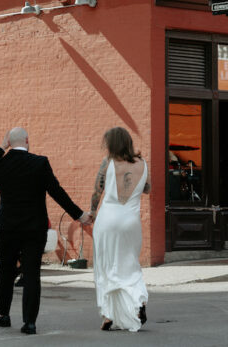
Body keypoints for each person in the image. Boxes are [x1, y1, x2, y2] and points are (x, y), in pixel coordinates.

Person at [0, 126, 91, 335]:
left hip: (8, 227)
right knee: (32, 274)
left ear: (10, 143)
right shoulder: (40, 163)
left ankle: (2, 313)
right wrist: (79, 215)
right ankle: (29, 322)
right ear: (28, 140)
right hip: (34, 227)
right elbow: (57, 192)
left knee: (5, 271)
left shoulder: (0, 164)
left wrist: (1, 147)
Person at [89, 127, 150, 332]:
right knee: (129, 265)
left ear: (112, 144)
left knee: (106, 267)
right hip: (130, 220)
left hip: (108, 219)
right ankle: (138, 302)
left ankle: (108, 315)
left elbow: (97, 191)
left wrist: (92, 211)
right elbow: (148, 188)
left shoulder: (108, 162)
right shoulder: (143, 164)